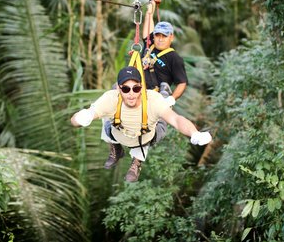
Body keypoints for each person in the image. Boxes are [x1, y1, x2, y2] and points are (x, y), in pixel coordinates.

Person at [70, 66, 212, 182]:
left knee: (163, 109)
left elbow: (176, 120)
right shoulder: (110, 98)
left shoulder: (151, 100)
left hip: (147, 135)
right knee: (104, 116)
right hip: (118, 134)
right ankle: (116, 149)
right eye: (126, 89)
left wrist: (194, 133)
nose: (131, 94)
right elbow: (81, 117)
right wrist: (82, 117)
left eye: (136, 88)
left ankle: (137, 163)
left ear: (142, 88)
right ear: (119, 89)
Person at [142, 0, 188, 107]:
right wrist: (152, 3)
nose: (160, 39)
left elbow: (182, 83)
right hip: (137, 92)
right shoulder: (149, 45)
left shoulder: (174, 58)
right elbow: (149, 18)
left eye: (164, 36)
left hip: (156, 98)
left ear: (171, 37)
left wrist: (171, 99)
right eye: (158, 36)